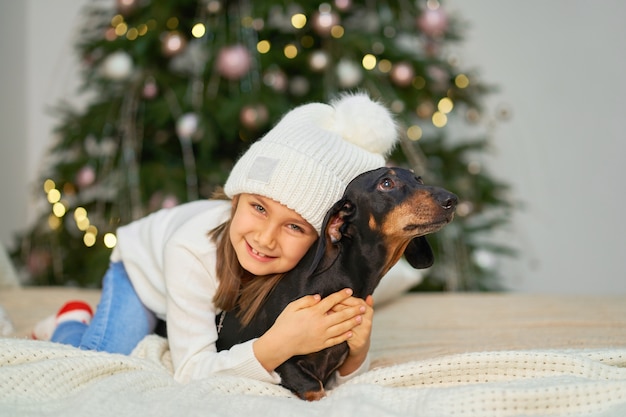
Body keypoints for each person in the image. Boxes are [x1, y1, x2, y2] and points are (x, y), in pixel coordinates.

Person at [33, 92, 398, 386]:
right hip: (142, 272)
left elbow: (326, 369)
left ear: (326, 237)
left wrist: (356, 351)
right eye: (258, 207)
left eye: (296, 227)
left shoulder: (310, 266)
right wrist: (278, 344)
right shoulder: (190, 250)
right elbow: (191, 371)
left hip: (195, 287)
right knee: (102, 359)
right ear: (236, 197)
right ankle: (70, 319)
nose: (266, 238)